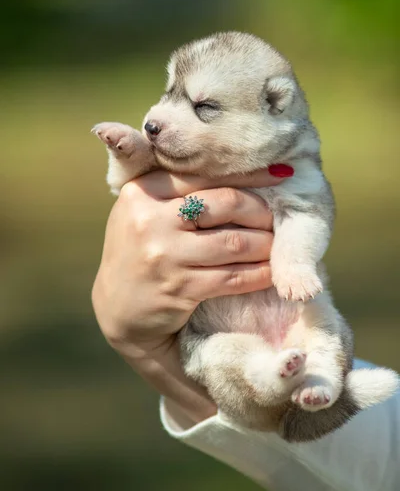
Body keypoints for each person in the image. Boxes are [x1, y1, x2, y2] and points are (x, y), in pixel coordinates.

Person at [92, 169, 399, 491]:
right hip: (246, 347)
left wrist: (146, 350)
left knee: (321, 328)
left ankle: (320, 381)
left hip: (286, 332)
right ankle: (294, 381)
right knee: (247, 352)